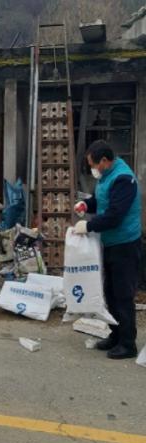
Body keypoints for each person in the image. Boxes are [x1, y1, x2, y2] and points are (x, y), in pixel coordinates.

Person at [74, 140, 142, 360]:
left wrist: (89, 226)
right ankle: (116, 334)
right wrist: (87, 205)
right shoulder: (106, 175)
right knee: (110, 292)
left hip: (125, 244)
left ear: (104, 160)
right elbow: (101, 201)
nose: (93, 169)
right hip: (110, 243)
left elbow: (114, 215)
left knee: (123, 295)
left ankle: (128, 343)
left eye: (94, 164)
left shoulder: (123, 179)